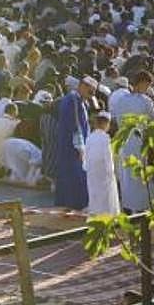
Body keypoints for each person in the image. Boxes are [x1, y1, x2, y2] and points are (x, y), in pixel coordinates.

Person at [111, 70, 154, 213]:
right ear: (142, 83)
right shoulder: (145, 101)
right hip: (141, 143)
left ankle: (130, 207)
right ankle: (145, 207)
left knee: (128, 177)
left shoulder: (121, 100)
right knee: (142, 177)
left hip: (125, 143)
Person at [54, 76, 94, 209]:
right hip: (72, 146)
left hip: (68, 144)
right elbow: (76, 125)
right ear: (83, 86)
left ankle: (66, 203)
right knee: (75, 175)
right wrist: (80, 147)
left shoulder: (74, 99)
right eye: (90, 92)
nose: (90, 96)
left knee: (66, 175)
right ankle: (75, 204)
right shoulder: (74, 101)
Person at [85, 112, 120, 215]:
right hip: (104, 171)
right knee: (106, 195)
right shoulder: (105, 138)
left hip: (92, 170)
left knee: (94, 193)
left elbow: (86, 155)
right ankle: (108, 215)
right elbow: (108, 157)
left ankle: (95, 213)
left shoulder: (90, 137)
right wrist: (111, 172)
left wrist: (87, 168)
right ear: (106, 124)